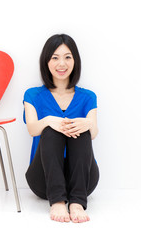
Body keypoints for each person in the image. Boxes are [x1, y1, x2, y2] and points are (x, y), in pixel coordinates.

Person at [23, 34, 99, 223]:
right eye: (55, 58)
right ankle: (57, 200)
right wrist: (49, 120)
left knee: (81, 127)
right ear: (46, 62)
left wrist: (87, 124)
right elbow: (32, 129)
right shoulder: (32, 95)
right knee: (50, 128)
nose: (61, 64)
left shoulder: (88, 97)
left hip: (83, 179)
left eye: (67, 57)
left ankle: (77, 202)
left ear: (75, 61)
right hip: (43, 179)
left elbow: (94, 133)